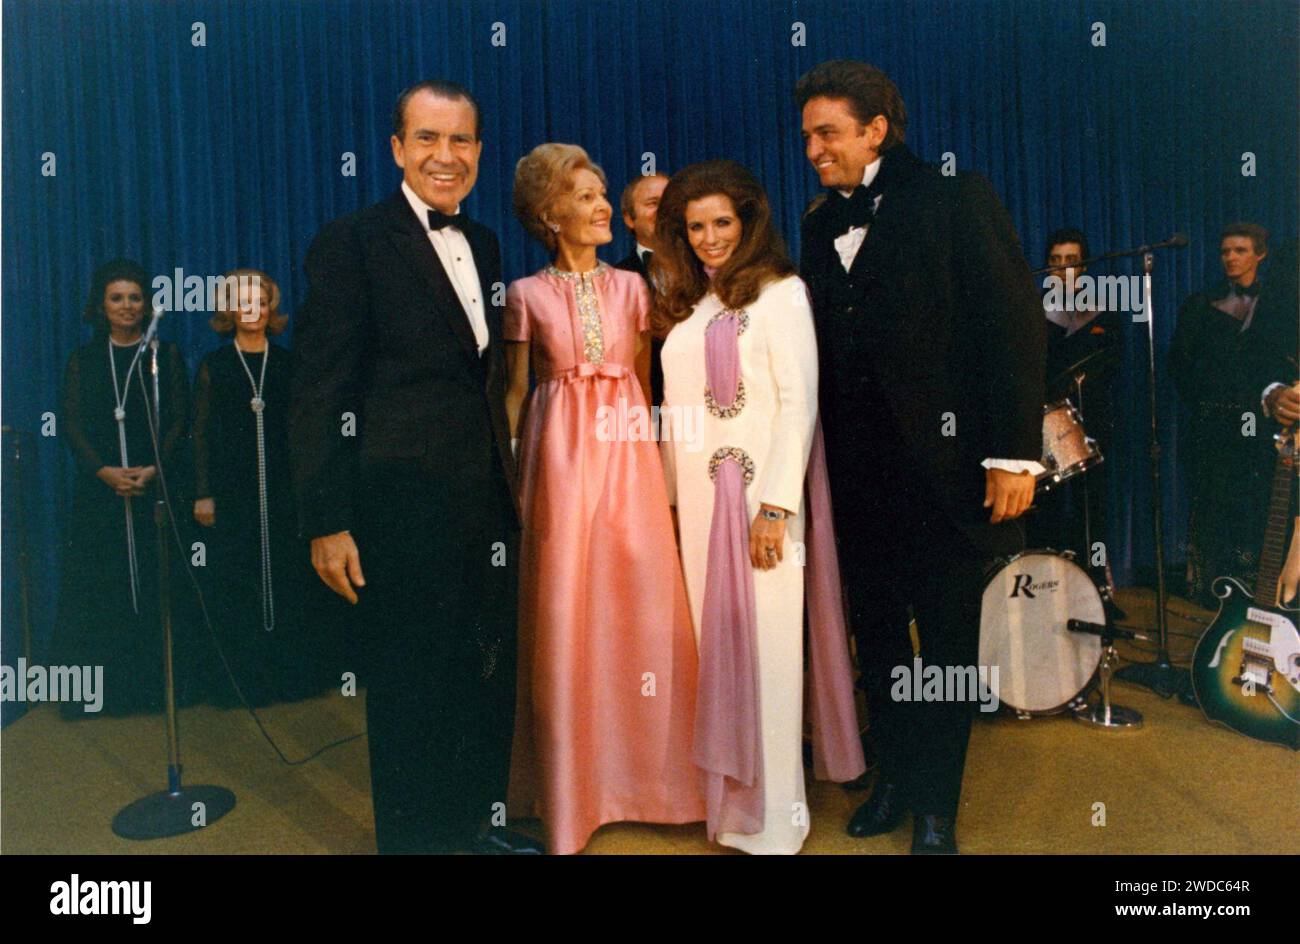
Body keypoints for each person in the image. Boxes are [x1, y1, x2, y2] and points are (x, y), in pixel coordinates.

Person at [796, 60, 1045, 854]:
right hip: (853, 477)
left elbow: (1013, 325)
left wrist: (1013, 456)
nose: (813, 148)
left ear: (877, 129)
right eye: (806, 136)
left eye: (827, 132)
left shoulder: (953, 196)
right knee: (875, 637)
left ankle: (938, 809)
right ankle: (897, 779)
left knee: (942, 646)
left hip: (944, 473)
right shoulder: (814, 225)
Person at [289, 80, 536, 855]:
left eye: (461, 140)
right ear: (396, 149)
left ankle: (478, 827)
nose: (445, 155)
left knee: (482, 679)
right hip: (396, 509)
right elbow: (318, 391)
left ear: (479, 151)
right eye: (427, 138)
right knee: (409, 692)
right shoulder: (352, 241)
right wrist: (326, 519)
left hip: (481, 506)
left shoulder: (487, 242)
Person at [655, 159, 865, 855]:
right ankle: (728, 813)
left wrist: (776, 508)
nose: (710, 238)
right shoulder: (691, 307)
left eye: (722, 223)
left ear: (748, 223)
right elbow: (676, 417)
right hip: (698, 514)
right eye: (695, 227)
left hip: (760, 510)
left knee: (770, 662)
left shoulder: (783, 294)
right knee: (717, 658)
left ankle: (776, 824)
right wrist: (665, 501)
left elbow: (798, 404)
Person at [503, 143, 703, 855]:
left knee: (644, 607)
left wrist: (659, 467)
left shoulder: (634, 290)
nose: (599, 207)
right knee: (567, 615)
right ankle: (572, 794)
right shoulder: (524, 295)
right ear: (550, 214)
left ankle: (658, 783)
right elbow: (517, 394)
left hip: (627, 459)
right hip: (558, 464)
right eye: (585, 197)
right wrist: (519, 479)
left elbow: (647, 382)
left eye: (600, 196)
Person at [53, 258, 196, 717]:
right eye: (117, 298)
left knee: (161, 581)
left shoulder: (164, 356)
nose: (127, 306)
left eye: (135, 297)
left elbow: (179, 419)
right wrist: (104, 471)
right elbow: (72, 424)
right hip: (103, 490)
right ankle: (108, 693)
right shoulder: (84, 359)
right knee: (103, 583)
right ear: (101, 305)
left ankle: (159, 689)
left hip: (154, 484)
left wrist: (153, 467)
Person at [192, 270, 324, 707]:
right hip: (233, 489)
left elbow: (305, 429)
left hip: (283, 486)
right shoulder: (215, 365)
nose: (253, 310)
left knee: (288, 574)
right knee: (239, 577)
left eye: (260, 302)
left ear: (271, 309)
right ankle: (243, 684)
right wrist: (203, 492)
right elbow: (202, 432)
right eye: (243, 303)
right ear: (230, 310)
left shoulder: (288, 362)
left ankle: (288, 677)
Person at [1169, 224, 1298, 607]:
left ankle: (1254, 597)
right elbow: (1180, 364)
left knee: (1257, 510)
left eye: (1240, 250)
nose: (1231, 258)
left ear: (1260, 255)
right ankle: (1210, 595)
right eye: (1226, 251)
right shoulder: (1199, 304)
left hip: (1262, 425)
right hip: (1213, 423)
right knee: (1211, 509)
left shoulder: (1280, 303)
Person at [1032, 228, 1122, 608]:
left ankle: (1099, 591)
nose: (1063, 269)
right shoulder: (1034, 310)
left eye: (1071, 261)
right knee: (1048, 511)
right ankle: (1050, 595)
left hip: (1094, 423)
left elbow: (1110, 360)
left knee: (1093, 511)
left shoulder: (1104, 309)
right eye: (1055, 261)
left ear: (1084, 267)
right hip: (1048, 425)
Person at [615, 171, 670, 405]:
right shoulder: (616, 280)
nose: (664, 210)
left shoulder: (710, 268)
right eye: (653, 204)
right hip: (648, 408)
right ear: (629, 218)